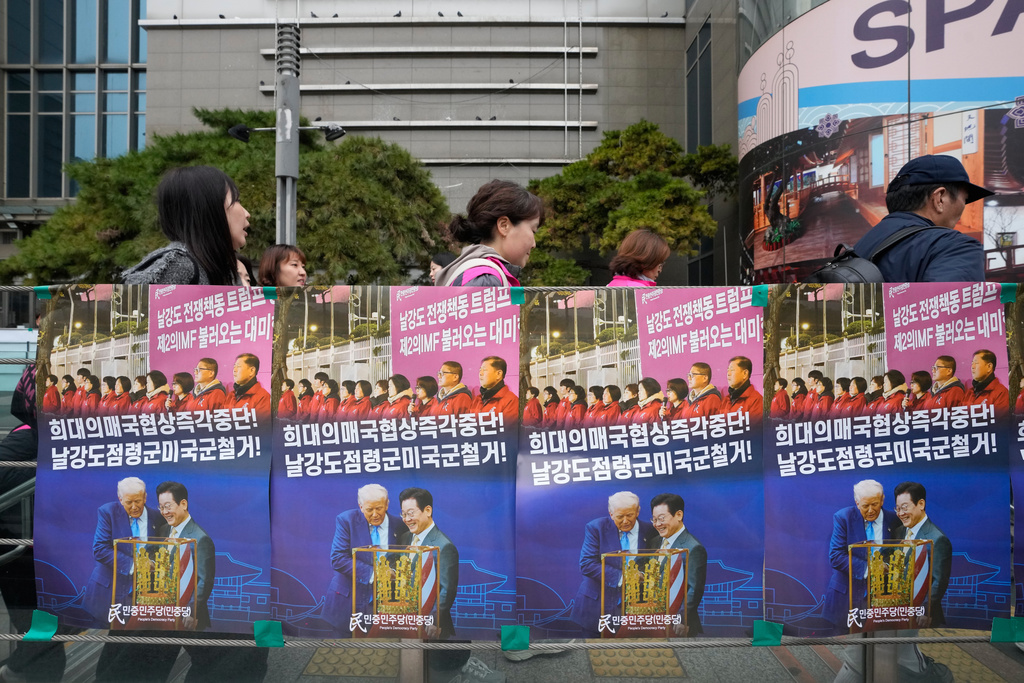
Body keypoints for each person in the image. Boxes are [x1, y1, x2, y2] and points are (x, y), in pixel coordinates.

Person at [852, 154, 992, 282]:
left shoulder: (861, 246)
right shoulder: (956, 248)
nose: (963, 207)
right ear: (940, 199)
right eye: (965, 199)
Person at [123, 166, 250, 286]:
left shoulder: (216, 267)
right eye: (237, 200)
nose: (247, 214)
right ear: (208, 208)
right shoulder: (180, 265)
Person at [323, 484, 408, 637]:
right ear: (361, 506)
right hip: (348, 604)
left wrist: (394, 572)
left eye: (379, 508)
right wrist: (376, 574)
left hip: (385, 606)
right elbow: (338, 558)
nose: (375, 514)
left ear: (387, 504)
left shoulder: (400, 525)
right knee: (344, 655)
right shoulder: (346, 520)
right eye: (369, 510)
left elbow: (404, 558)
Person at [570, 491, 656, 637]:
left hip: (635, 611)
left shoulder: (651, 531)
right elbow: (587, 564)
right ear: (611, 514)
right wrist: (625, 576)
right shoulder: (596, 528)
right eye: (619, 517)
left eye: (629, 515)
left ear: (638, 511)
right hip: (597, 609)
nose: (625, 521)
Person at [822, 479, 903, 633]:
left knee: (880, 649)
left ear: (882, 500)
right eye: (865, 506)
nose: (871, 510)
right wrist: (871, 568)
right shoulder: (844, 517)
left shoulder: (895, 520)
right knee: (844, 650)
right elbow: (836, 556)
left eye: (875, 504)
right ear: (857, 502)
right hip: (847, 599)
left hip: (882, 601)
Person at [435, 179, 544, 286]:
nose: (534, 244)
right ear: (504, 226)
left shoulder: (472, 271)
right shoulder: (486, 280)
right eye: (533, 231)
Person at [83, 477, 162, 624]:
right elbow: (100, 549)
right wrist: (135, 564)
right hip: (108, 596)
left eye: (137, 501)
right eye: (128, 502)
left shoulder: (158, 518)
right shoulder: (108, 512)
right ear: (120, 499)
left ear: (145, 497)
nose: (133, 507)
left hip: (142, 599)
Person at [398, 488, 458, 639]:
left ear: (428, 510)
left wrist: (433, 620)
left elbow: (446, 589)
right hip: (404, 621)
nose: (406, 519)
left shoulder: (443, 545)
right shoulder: (404, 538)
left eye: (411, 513)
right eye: (403, 514)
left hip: (430, 627)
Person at [648, 493, 707, 637]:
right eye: (654, 519)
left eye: (661, 518)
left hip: (677, 625)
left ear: (679, 515)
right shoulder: (654, 541)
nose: (657, 524)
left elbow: (694, 589)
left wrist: (682, 619)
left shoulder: (692, 547)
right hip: (653, 619)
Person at [894, 481, 952, 627]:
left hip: (923, 617)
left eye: (905, 507)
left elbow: (939, 581)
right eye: (898, 508)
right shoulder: (899, 531)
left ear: (921, 504)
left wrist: (926, 611)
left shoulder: (937, 539)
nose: (901, 513)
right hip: (898, 612)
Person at [965, 349, 1009, 415]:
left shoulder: (1000, 392)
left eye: (976, 363)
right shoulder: (969, 392)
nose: (972, 367)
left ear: (989, 367)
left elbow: (1000, 422)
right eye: (972, 363)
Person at [721, 356, 763, 425]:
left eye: (732, 370)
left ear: (745, 374)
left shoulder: (756, 400)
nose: (728, 374)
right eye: (728, 370)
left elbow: (754, 431)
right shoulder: (726, 400)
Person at [230, 353, 272, 421]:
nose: (234, 370)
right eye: (234, 366)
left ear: (251, 371)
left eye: (238, 366)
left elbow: (262, 427)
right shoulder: (231, 395)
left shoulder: (262, 397)